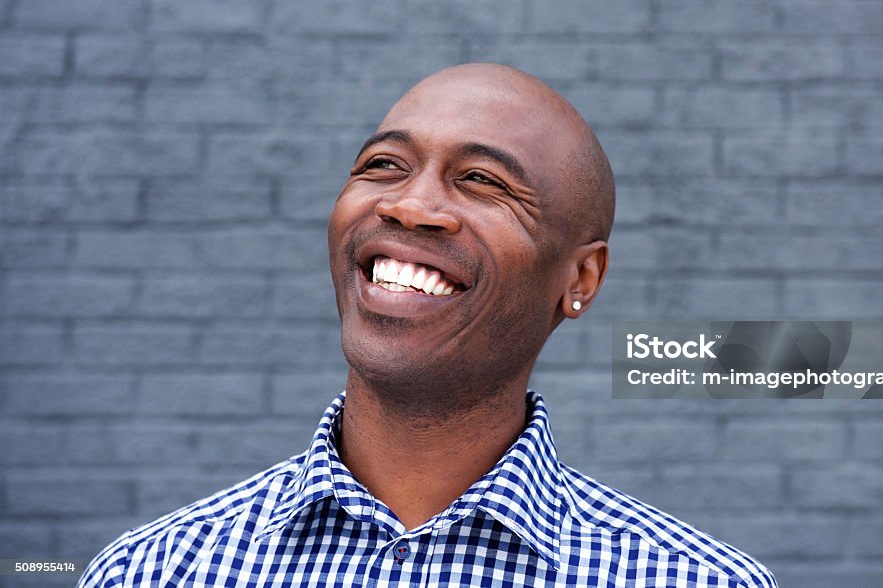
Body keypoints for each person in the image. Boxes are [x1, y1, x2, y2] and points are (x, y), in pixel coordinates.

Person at [80, 64, 776, 587]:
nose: (411, 206)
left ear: (580, 280)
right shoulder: (152, 570)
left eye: (482, 181)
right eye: (383, 165)